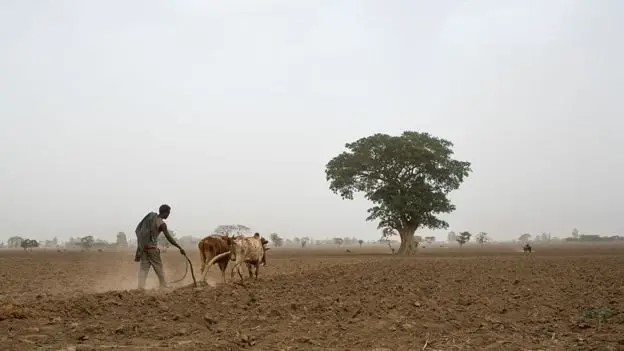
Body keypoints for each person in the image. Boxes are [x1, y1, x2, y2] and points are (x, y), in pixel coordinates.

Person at [134, 204, 186, 289]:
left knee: (143, 268)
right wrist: (180, 247)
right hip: (152, 249)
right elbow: (169, 237)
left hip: (143, 248)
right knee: (159, 267)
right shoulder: (162, 224)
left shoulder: (151, 217)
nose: (168, 215)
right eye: (168, 213)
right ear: (165, 212)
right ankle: (163, 285)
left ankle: (140, 287)